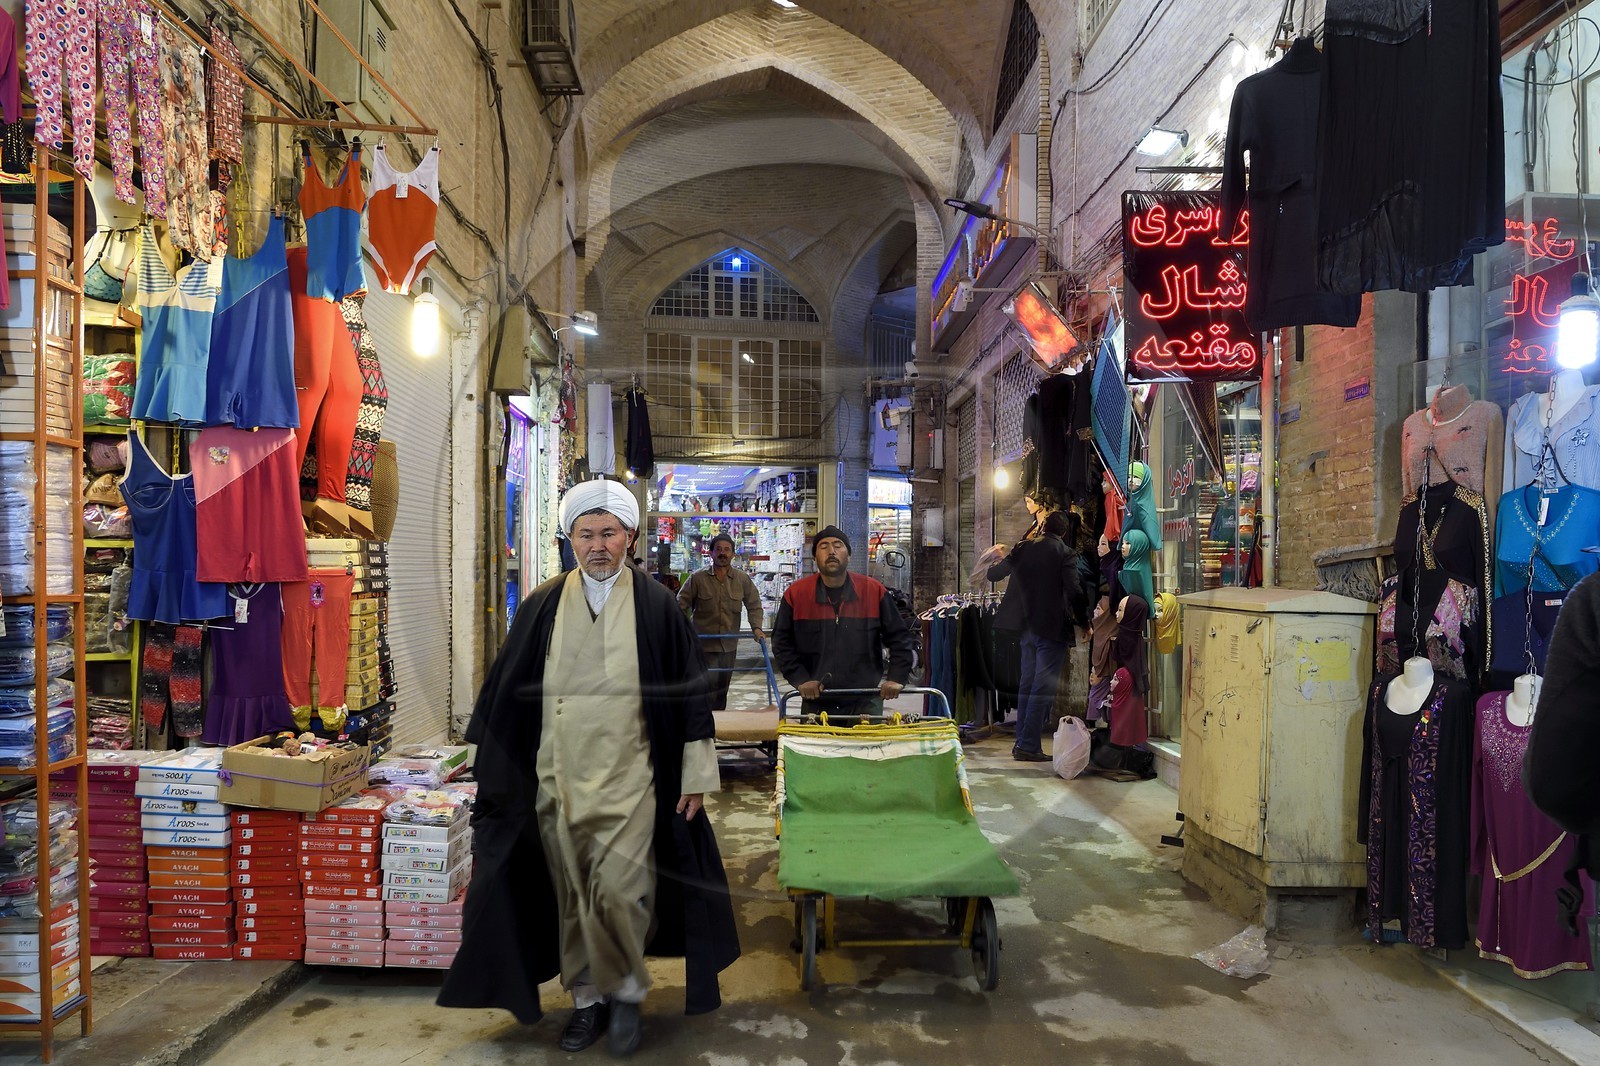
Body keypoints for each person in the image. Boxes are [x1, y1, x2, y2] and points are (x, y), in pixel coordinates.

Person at [438, 479, 740, 1057]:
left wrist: (697, 773)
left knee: (623, 894)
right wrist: (491, 769)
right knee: (572, 897)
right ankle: (586, 1002)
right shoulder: (543, 605)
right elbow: (505, 693)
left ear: (628, 536)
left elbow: (689, 694)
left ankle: (625, 995)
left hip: (633, 782)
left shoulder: (657, 606)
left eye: (609, 533)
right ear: (570, 538)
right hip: (556, 782)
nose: (598, 545)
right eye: (586, 534)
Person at [771, 525, 916, 715]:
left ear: (849, 555)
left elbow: (899, 636)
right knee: (815, 745)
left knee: (867, 745)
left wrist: (897, 676)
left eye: (838, 545)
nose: (831, 551)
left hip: (866, 698)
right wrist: (801, 679)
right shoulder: (797, 595)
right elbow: (782, 642)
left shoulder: (873, 591)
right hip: (815, 699)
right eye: (823, 546)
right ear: (815, 558)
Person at [984, 511, 1084, 761]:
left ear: (1042, 528)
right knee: (1042, 687)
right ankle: (1028, 745)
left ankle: (1022, 742)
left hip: (1026, 628)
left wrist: (1004, 557)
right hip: (1051, 628)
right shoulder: (1065, 553)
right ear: (1063, 532)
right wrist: (1085, 621)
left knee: (1028, 684)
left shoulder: (1023, 548)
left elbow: (994, 575)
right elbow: (1074, 590)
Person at [678, 533, 765, 711]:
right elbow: (680, 605)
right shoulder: (697, 578)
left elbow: (754, 605)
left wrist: (757, 628)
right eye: (718, 549)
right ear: (711, 553)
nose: (723, 553)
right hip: (703, 645)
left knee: (721, 690)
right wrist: (681, 630)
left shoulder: (742, 580)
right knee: (704, 689)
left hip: (728, 646)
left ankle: (717, 727)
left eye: (727, 550)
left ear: (733, 554)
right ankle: (702, 726)